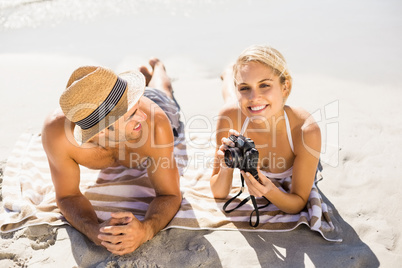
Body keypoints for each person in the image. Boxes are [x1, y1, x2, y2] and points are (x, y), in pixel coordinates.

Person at [42, 58, 186, 255]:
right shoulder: (57, 134)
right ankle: (139, 72)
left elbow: (170, 194)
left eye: (135, 109)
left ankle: (157, 68)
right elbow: (67, 195)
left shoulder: (154, 121)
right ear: (99, 131)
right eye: (132, 115)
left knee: (163, 91)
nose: (141, 116)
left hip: (160, 105)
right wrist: (95, 231)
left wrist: (147, 229)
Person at [211, 45, 321, 214]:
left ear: (285, 87)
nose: (254, 97)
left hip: (302, 145)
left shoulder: (305, 131)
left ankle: (230, 76)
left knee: (246, 104)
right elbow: (218, 192)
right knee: (230, 100)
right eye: (244, 88)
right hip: (237, 110)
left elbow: (298, 202)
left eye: (264, 85)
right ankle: (228, 76)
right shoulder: (230, 117)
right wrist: (225, 168)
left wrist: (269, 192)